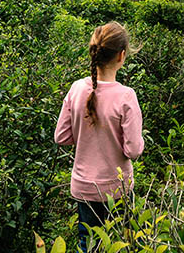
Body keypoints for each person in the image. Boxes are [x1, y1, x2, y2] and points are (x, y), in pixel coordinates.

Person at [54, 21, 144, 253]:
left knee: (88, 245)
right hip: (117, 188)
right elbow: (133, 150)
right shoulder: (126, 96)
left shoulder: (76, 88)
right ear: (121, 56)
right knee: (122, 243)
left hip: (84, 187)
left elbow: (61, 137)